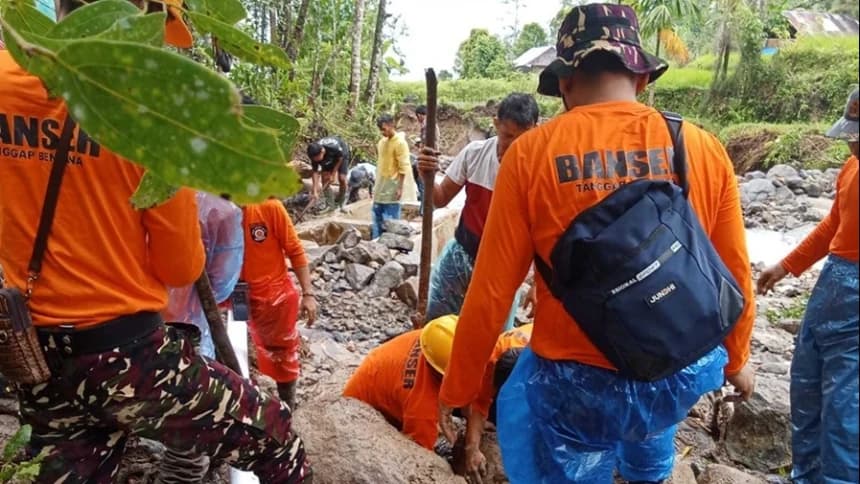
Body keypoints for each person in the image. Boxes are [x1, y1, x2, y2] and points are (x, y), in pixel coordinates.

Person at [436, 5, 756, 483]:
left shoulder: (529, 156)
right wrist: (738, 358)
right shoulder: (700, 147)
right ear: (642, 78)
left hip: (573, 380)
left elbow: (491, 291)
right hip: (667, 364)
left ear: (565, 83)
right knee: (650, 461)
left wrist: (457, 386)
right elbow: (731, 271)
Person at [0, 3, 310, 481]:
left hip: (33, 354)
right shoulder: (150, 116)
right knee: (275, 436)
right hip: (125, 357)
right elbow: (180, 267)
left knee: (69, 470)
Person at [757, 88, 858, 484]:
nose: (853, 143)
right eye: (853, 135)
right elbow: (834, 224)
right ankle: (806, 476)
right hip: (833, 284)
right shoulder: (850, 169)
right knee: (806, 387)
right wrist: (786, 265)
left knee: (845, 412)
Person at [417, 93, 539, 327]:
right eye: (508, 136)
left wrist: (538, 283)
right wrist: (426, 175)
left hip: (503, 269)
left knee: (493, 340)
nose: (514, 145)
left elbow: (544, 232)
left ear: (535, 129)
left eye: (523, 138)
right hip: (462, 252)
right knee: (436, 324)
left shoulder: (538, 169)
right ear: (496, 124)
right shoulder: (474, 153)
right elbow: (440, 199)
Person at [342, 316, 529, 455]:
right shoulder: (422, 406)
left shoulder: (441, 341)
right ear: (444, 376)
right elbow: (421, 456)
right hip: (358, 415)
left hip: (377, 373)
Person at [240, 197, 318, 410]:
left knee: (282, 353)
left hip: (275, 296)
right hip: (233, 295)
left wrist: (308, 294)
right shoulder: (219, 212)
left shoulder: (269, 207)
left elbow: (294, 249)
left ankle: (287, 406)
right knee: (237, 350)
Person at [163, 191, 244, 359]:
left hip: (140, 320)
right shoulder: (223, 212)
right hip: (192, 319)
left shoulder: (149, 194)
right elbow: (222, 283)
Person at [372, 114, 417, 239]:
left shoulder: (400, 143)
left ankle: (391, 243)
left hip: (393, 185)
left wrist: (400, 187)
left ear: (391, 125)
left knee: (391, 219)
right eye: (381, 130)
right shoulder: (382, 143)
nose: (382, 132)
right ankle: (376, 242)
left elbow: (404, 167)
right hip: (381, 185)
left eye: (384, 129)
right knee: (377, 217)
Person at [307, 136, 351, 206]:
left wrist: (333, 175)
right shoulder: (314, 154)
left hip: (341, 155)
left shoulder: (333, 147)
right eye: (314, 159)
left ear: (322, 151)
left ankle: (341, 200)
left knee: (342, 178)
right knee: (325, 180)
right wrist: (315, 191)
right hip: (328, 158)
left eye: (317, 158)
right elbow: (315, 172)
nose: (316, 161)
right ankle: (330, 205)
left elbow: (340, 159)